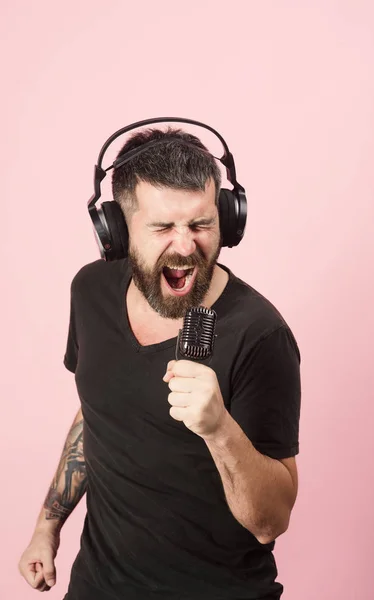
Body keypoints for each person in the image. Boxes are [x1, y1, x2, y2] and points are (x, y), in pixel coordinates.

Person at [18, 126, 301, 599]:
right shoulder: (91, 292)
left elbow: (271, 523)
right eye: (164, 227)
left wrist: (219, 429)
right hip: (96, 587)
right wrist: (47, 526)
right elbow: (97, 412)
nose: (186, 246)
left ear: (228, 221)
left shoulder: (260, 334)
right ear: (117, 230)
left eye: (201, 224)